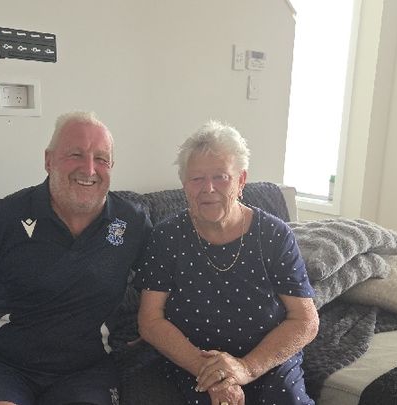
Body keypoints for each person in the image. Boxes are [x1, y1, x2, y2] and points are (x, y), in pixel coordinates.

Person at [0, 111, 152, 405]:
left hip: (87, 371)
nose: (89, 169)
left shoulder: (131, 222)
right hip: (2, 364)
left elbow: (159, 282)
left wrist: (150, 333)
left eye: (101, 158)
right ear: (49, 161)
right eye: (76, 154)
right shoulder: (5, 216)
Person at [136, 121, 319, 405]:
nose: (208, 188)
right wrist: (211, 372)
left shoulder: (273, 234)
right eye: (197, 179)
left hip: (265, 359)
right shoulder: (167, 237)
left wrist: (246, 368)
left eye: (221, 177)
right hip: (190, 361)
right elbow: (150, 320)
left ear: (241, 180)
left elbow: (305, 320)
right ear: (185, 185)